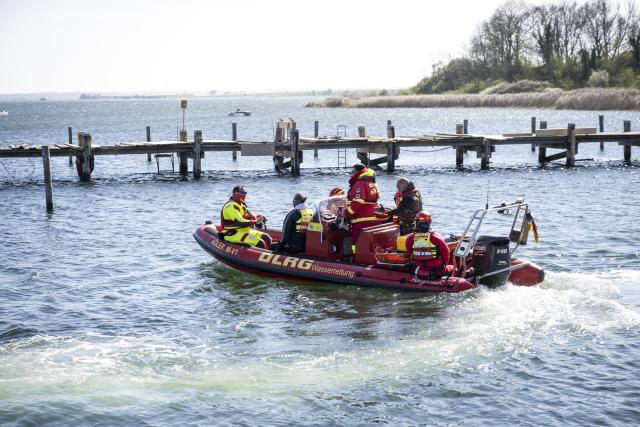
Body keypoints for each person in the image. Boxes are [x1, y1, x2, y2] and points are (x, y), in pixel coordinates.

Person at [405, 211, 451, 279]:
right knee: (453, 268)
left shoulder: (410, 238)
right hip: (436, 269)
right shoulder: (436, 237)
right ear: (429, 223)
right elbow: (446, 254)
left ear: (417, 223)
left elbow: (409, 250)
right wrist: (444, 265)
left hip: (418, 267)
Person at [344, 163, 380, 243]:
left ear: (357, 172)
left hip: (361, 220)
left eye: (353, 171)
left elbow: (358, 202)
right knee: (370, 243)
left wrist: (346, 213)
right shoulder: (371, 181)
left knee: (357, 242)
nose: (351, 173)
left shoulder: (360, 183)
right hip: (373, 217)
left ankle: (355, 255)